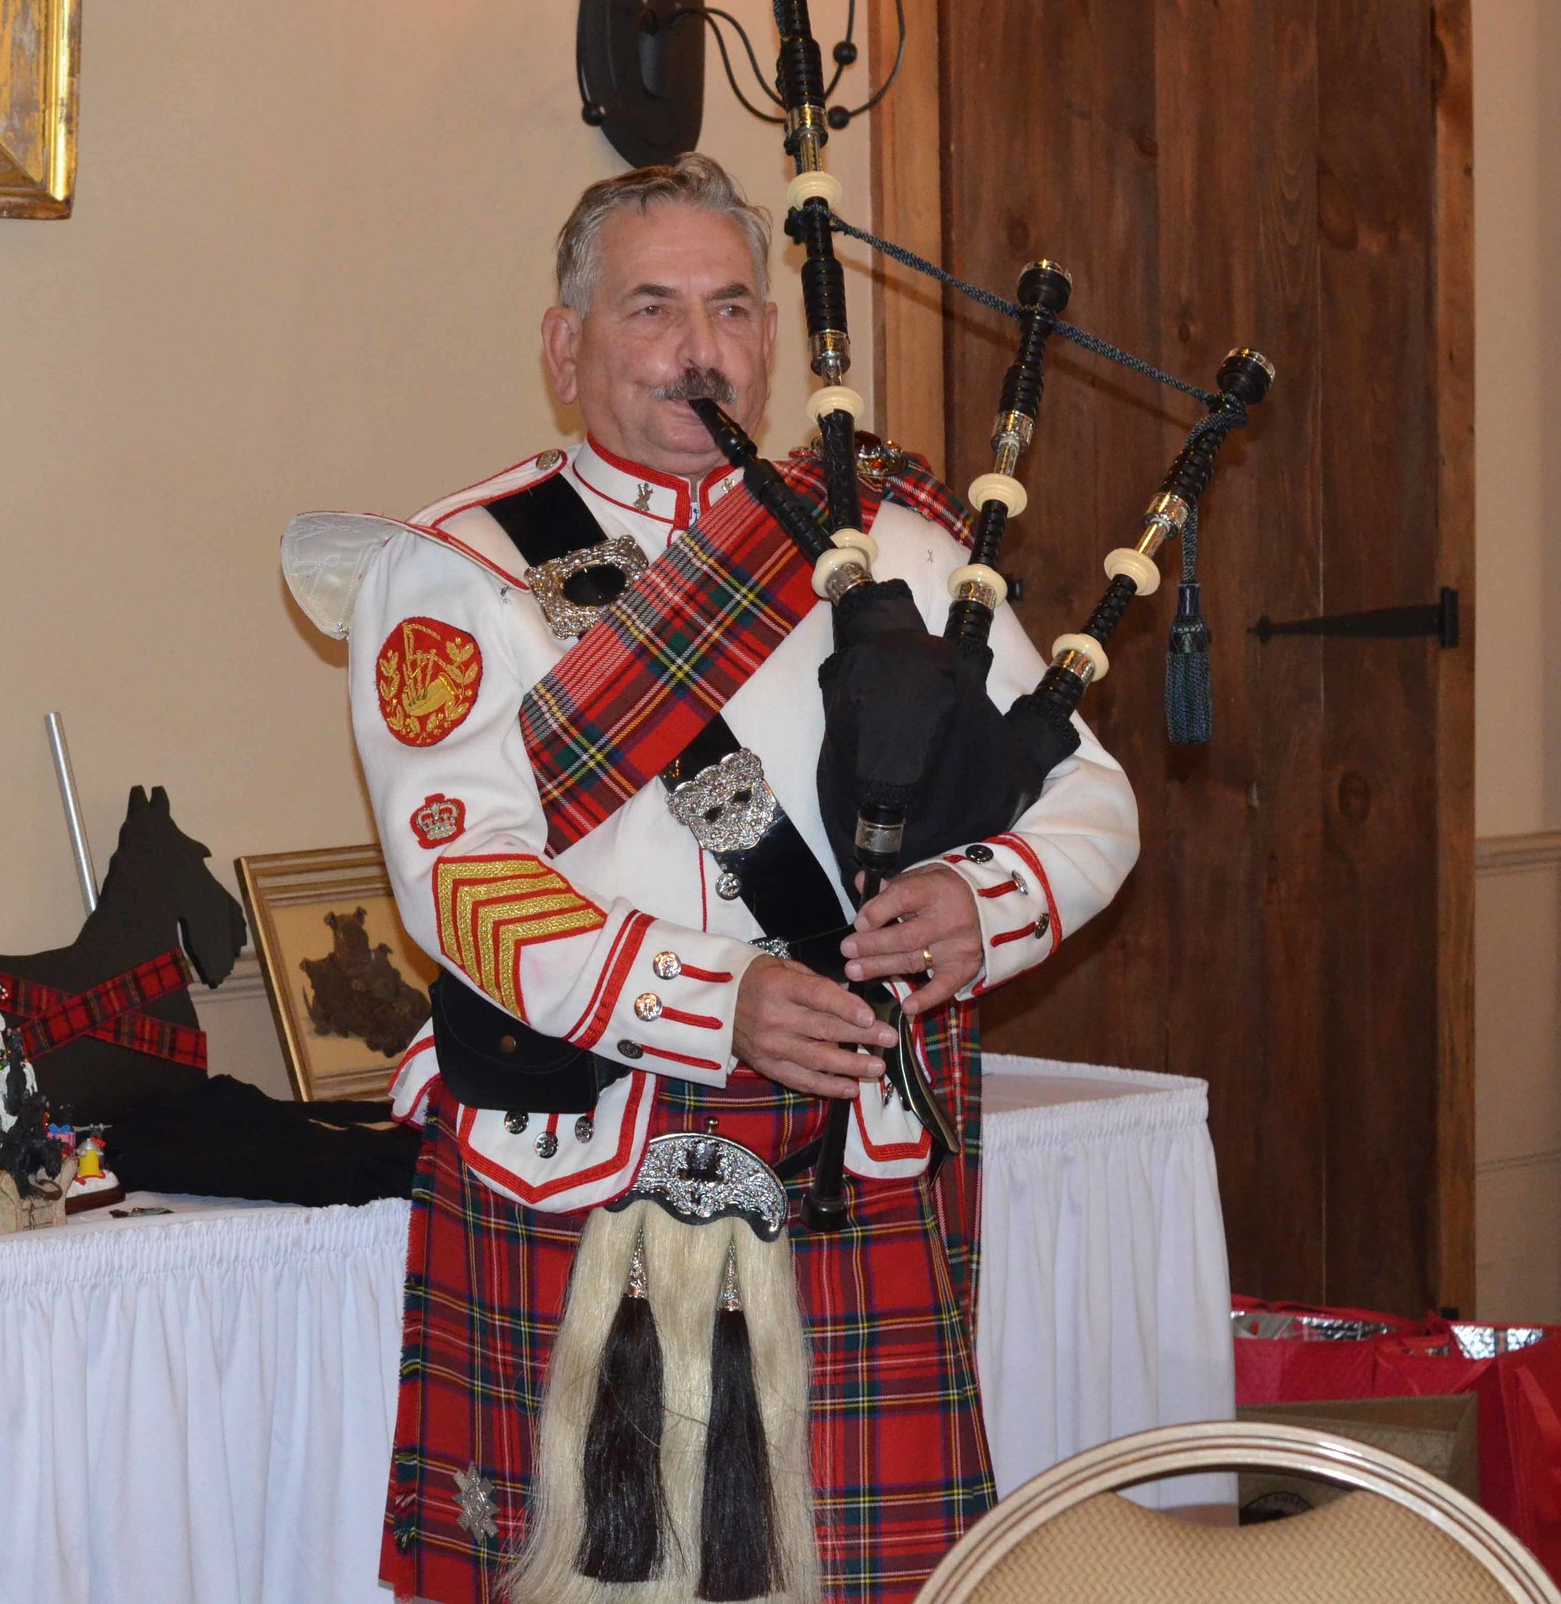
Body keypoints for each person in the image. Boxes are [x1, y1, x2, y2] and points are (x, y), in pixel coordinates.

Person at [279, 155, 1139, 1601]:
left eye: (733, 308)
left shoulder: (902, 554)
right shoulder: (461, 574)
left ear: (775, 341)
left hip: (843, 1155)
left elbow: (1091, 798)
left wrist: (980, 905)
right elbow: (466, 886)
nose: (700, 349)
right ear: (567, 349)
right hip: (589, 1155)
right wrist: (716, 998)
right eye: (652, 309)